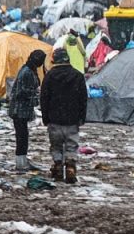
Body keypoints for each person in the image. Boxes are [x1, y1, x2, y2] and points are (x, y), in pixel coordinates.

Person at [40, 48, 87, 184]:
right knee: (72, 145)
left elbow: (44, 98)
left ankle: (58, 166)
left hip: (54, 118)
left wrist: (45, 117)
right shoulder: (78, 76)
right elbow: (83, 98)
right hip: (72, 118)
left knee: (56, 145)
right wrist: (81, 117)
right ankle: (71, 166)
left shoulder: (49, 76)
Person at [8, 50, 48, 173]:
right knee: (22, 137)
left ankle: (22, 160)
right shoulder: (27, 72)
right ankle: (20, 163)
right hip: (19, 110)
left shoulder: (29, 70)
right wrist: (36, 94)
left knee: (23, 136)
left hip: (21, 110)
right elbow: (22, 92)